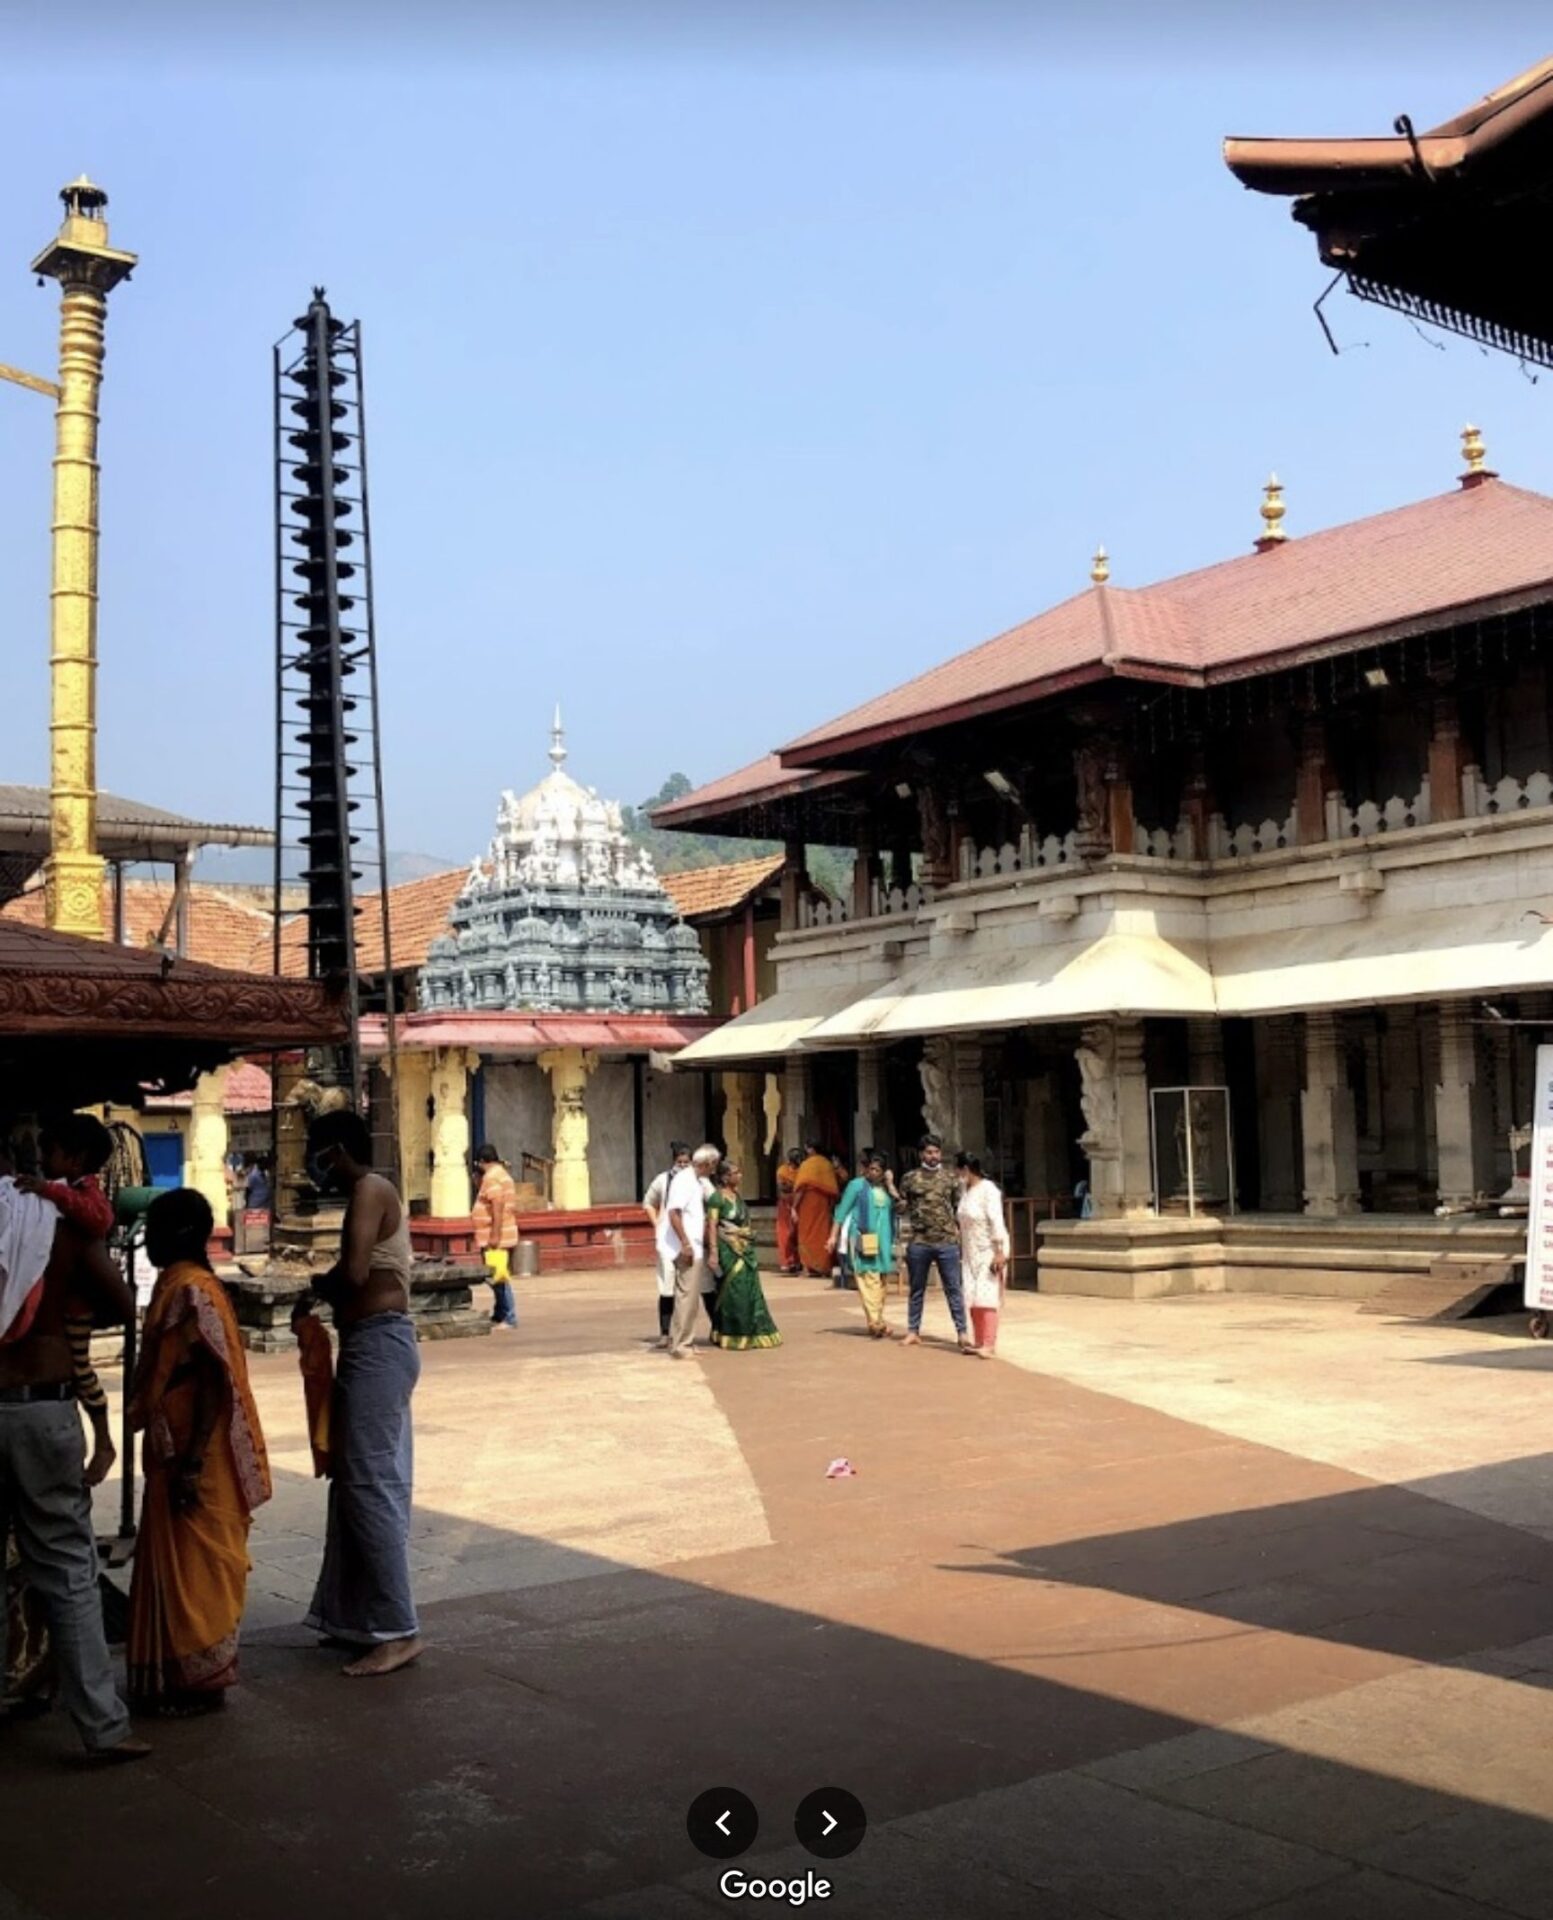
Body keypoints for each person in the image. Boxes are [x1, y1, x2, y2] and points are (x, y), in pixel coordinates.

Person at [0, 1150, 147, 1761]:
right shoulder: (56, 1225)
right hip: (43, 1402)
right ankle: (102, 1728)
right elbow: (119, 1303)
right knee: (68, 1570)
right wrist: (59, 1308)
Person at [127, 1188, 272, 1713]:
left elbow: (215, 1382)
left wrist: (191, 1465)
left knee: (198, 1568)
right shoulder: (176, 1286)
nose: (148, 1243)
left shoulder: (195, 1291)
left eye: (157, 1231)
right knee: (175, 1561)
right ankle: (170, 1675)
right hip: (174, 1449)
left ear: (181, 1236)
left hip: (198, 1454)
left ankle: (200, 1679)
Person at [296, 1110, 423, 1677]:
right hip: (369, 1344)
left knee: (369, 1482)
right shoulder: (366, 1192)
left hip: (379, 1344)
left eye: (318, 1153)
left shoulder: (370, 1189)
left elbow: (352, 1274)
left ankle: (398, 1629)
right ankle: (353, 1618)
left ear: (339, 1150)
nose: (314, 1166)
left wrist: (313, 1285)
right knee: (353, 1483)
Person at [899, 1134, 975, 1353]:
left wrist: (963, 1234)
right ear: (922, 1154)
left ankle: (962, 1333)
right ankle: (913, 1330)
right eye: (929, 1152)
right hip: (919, 1242)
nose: (933, 1156)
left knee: (953, 1288)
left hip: (946, 1241)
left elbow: (959, 1208)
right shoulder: (910, 1178)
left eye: (936, 1152)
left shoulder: (950, 1179)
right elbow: (902, 1205)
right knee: (917, 1288)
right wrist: (896, 1199)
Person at [705, 1162, 781, 1351]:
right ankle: (732, 1333)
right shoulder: (716, 1198)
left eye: (740, 1172)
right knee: (734, 1288)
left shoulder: (737, 1197)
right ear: (724, 1177)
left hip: (745, 1247)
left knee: (749, 1288)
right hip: (727, 1248)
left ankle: (753, 1331)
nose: (740, 1176)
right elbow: (712, 1225)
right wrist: (713, 1251)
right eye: (735, 1173)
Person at [831, 1154, 896, 1339]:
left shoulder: (886, 1188)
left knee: (881, 1280)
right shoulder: (857, 1186)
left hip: (883, 1239)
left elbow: (901, 1206)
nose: (872, 1173)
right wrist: (833, 1236)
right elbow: (841, 1212)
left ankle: (877, 1320)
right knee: (869, 1277)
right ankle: (875, 1322)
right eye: (871, 1169)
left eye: (877, 1170)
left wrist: (891, 1185)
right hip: (863, 1237)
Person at [663, 1145, 718, 1360]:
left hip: (693, 1243)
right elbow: (673, 1213)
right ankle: (680, 1345)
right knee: (686, 1297)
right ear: (705, 1164)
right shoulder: (684, 1180)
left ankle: (685, 1339)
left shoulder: (696, 1181)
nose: (713, 1170)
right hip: (686, 1246)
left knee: (690, 1297)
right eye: (712, 1165)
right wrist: (685, 1243)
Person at [957, 1152, 1011, 1358]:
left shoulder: (989, 1190)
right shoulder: (965, 1190)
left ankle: (989, 1343)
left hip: (988, 1249)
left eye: (959, 1170)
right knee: (972, 1295)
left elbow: (996, 1220)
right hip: (970, 1251)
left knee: (986, 1295)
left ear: (966, 1169)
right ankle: (979, 1340)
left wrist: (999, 1252)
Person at [642, 1143, 692, 1346]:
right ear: (674, 1161)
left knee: (689, 1288)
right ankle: (665, 1333)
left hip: (690, 1241)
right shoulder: (663, 1180)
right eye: (679, 1162)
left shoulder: (697, 1182)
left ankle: (684, 1334)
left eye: (686, 1162)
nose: (682, 1166)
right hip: (666, 1242)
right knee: (667, 1287)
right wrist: (657, 1224)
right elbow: (648, 1203)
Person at [472, 1143, 521, 1330]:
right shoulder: (502, 1175)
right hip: (503, 1233)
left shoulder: (492, 1178)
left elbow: (497, 1204)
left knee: (499, 1276)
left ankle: (509, 1316)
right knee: (496, 1275)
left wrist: (494, 1234)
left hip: (496, 1237)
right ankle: (500, 1312)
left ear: (482, 1162)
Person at [792, 1140, 841, 1278]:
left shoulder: (807, 1164)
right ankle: (823, 1266)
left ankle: (808, 1267)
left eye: (807, 1148)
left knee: (806, 1234)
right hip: (824, 1203)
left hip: (808, 1202)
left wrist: (794, 1207)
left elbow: (800, 1189)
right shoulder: (827, 1164)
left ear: (811, 1149)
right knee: (822, 1233)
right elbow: (833, 1189)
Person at [774, 1147, 802, 1274]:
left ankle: (798, 1261)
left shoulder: (803, 1170)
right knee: (785, 1233)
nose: (799, 1161)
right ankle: (787, 1262)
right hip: (785, 1204)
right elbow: (783, 1188)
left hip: (800, 1204)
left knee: (798, 1233)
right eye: (797, 1158)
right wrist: (795, 1186)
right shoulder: (783, 1170)